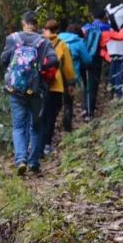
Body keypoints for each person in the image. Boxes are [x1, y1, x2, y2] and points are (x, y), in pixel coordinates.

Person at [0, 11, 58, 175]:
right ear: (37, 25)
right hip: (35, 89)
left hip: (15, 89)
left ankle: (20, 160)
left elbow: (4, 60)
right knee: (36, 126)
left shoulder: (12, 38)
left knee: (18, 126)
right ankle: (33, 162)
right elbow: (54, 60)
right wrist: (39, 68)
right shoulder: (43, 41)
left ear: (23, 22)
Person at [41, 19, 75, 154]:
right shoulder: (62, 45)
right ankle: (47, 144)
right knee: (51, 116)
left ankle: (36, 145)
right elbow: (68, 68)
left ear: (45, 29)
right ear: (57, 30)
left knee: (40, 115)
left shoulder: (39, 43)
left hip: (39, 84)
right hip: (56, 84)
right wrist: (71, 83)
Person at [58, 24, 92, 131]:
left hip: (55, 76)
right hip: (70, 77)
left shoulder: (56, 40)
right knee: (68, 103)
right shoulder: (78, 42)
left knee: (55, 103)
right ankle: (67, 127)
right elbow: (88, 60)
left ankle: (49, 131)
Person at [82, 8, 111, 121]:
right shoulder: (105, 28)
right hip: (96, 59)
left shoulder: (85, 27)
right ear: (104, 17)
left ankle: (85, 107)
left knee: (86, 84)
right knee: (93, 85)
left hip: (84, 58)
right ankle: (90, 111)